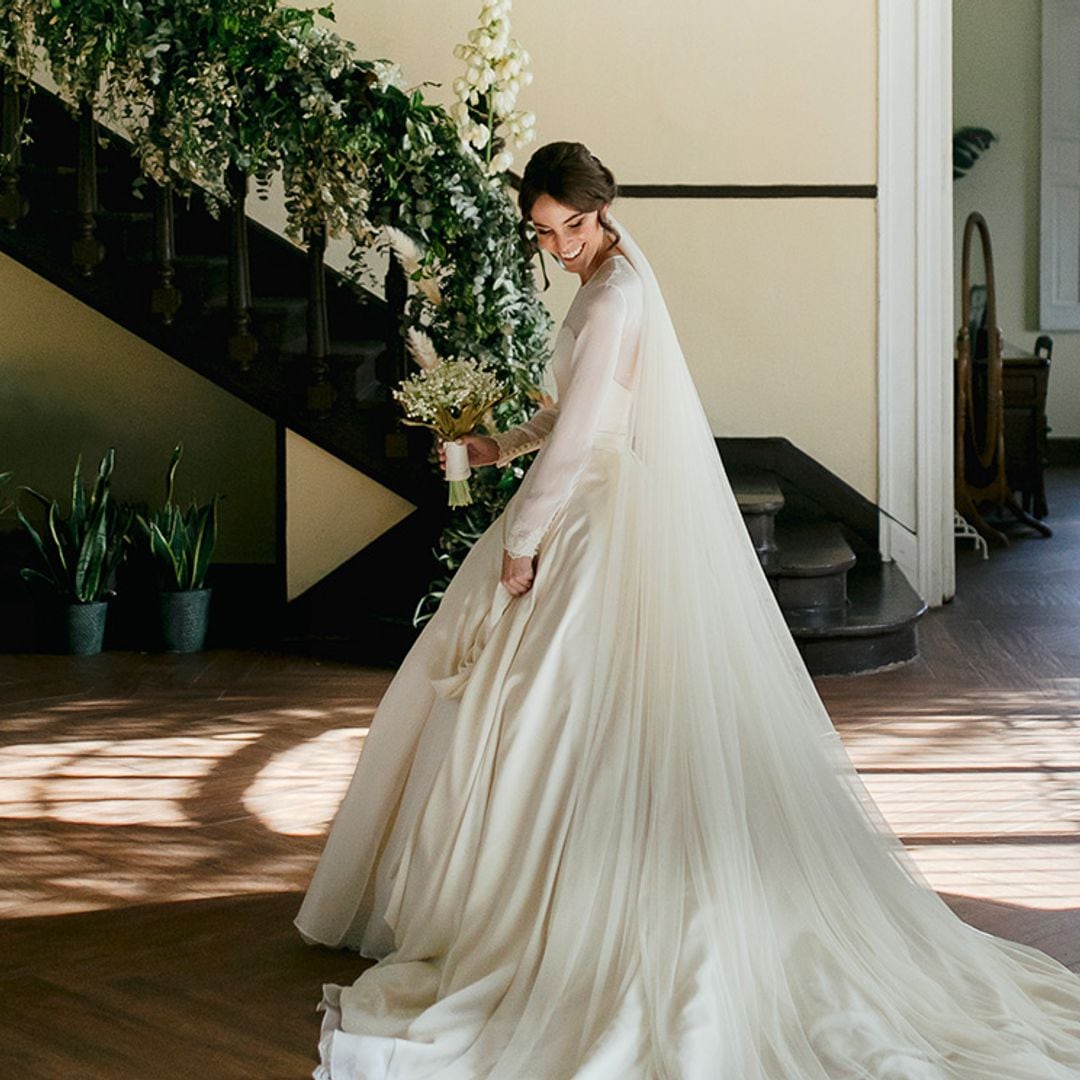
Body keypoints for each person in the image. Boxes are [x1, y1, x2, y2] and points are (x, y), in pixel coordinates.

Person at [297, 142, 1080, 1079]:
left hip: (593, 513)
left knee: (556, 709)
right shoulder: (609, 275)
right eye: (543, 235)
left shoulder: (619, 292)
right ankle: (509, 896)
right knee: (545, 713)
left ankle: (559, 908)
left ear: (603, 209)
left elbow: (585, 433)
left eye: (571, 228)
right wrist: (493, 445)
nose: (559, 249)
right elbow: (572, 412)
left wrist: (519, 545)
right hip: (588, 491)